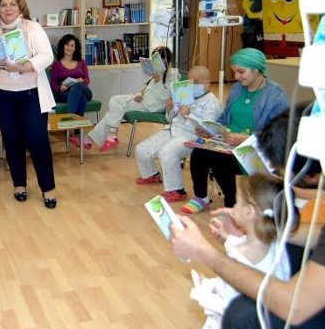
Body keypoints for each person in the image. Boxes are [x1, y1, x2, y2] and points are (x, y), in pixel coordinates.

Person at [171, 112, 325, 329]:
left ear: (310, 173)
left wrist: (203, 251)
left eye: (277, 171)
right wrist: (259, 227)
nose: (277, 178)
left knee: (243, 316)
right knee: (286, 250)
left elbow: (293, 306)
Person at [180, 48, 288, 214]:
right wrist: (211, 129)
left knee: (222, 160)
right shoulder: (238, 89)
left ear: (257, 69)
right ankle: (201, 197)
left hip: (255, 149)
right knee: (199, 153)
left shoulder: (275, 94)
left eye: (241, 72)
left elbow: (278, 133)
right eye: (235, 72)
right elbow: (225, 118)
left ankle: (232, 205)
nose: (236, 77)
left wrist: (246, 138)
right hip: (229, 142)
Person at [0, 0, 57, 209]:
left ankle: (48, 188)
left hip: (30, 94)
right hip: (2, 95)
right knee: (12, 141)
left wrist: (24, 67)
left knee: (37, 141)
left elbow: (47, 55)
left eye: (12, 4)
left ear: (20, 7)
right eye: (3, 5)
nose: (8, 8)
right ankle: (19, 185)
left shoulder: (32, 28)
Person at [189, 175, 291, 329]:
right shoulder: (275, 243)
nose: (233, 206)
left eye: (237, 202)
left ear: (249, 212)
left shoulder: (243, 253)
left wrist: (203, 289)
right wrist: (228, 238)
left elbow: (228, 303)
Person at [134, 65, 223, 201]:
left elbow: (208, 129)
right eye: (190, 82)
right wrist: (169, 108)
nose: (192, 85)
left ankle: (177, 190)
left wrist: (190, 114)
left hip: (193, 137)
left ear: (208, 83)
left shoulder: (212, 102)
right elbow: (171, 119)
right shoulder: (184, 94)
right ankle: (152, 174)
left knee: (167, 153)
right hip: (174, 131)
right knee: (141, 149)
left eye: (197, 82)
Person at [81, 46, 174, 152]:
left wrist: (159, 81)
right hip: (143, 100)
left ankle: (102, 137)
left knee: (115, 102)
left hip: (151, 106)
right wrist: (139, 94)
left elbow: (167, 97)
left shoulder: (170, 76)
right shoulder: (156, 73)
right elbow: (145, 87)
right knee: (114, 107)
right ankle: (97, 138)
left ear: (165, 60)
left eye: (157, 59)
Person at [50, 34, 93, 119]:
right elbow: (53, 84)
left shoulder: (82, 62)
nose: (69, 47)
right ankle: (77, 128)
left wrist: (82, 81)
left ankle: (70, 119)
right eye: (67, 45)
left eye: (72, 45)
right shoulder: (56, 64)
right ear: (63, 46)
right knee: (81, 97)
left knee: (78, 86)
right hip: (64, 93)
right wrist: (60, 87)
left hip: (83, 89)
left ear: (75, 48)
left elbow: (87, 80)